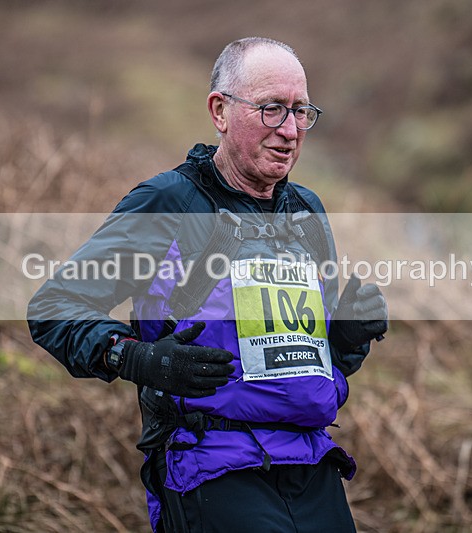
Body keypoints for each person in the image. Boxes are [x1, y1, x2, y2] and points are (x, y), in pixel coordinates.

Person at [28, 37, 388, 532]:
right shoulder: (169, 202)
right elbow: (55, 306)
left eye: (301, 112)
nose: (289, 131)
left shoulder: (306, 212)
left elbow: (305, 358)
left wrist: (344, 341)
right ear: (220, 111)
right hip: (210, 467)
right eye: (271, 110)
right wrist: (136, 358)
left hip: (312, 463)